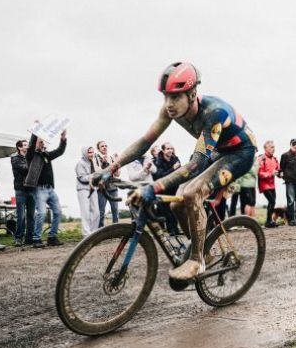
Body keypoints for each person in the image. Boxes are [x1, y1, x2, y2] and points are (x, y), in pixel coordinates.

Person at [92, 62, 257, 281]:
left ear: (192, 94)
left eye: (175, 97)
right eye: (165, 96)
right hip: (218, 151)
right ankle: (202, 247)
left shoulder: (213, 113)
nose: (169, 104)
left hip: (240, 153)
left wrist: (154, 187)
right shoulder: (170, 110)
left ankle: (197, 261)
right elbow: (144, 142)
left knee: (192, 192)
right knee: (177, 202)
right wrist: (111, 168)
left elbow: (195, 165)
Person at [24, 128, 67, 248]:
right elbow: (31, 145)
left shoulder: (47, 155)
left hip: (50, 189)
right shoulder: (31, 155)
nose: (42, 143)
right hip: (39, 189)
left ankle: (52, 237)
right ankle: (36, 238)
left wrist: (63, 139)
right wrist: (35, 132)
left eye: (43, 141)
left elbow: (60, 151)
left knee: (58, 212)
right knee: (41, 213)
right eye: (40, 141)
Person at [153, 142, 182, 235]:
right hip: (164, 188)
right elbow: (160, 176)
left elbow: (180, 172)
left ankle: (176, 229)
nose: (170, 150)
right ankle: (171, 230)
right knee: (167, 210)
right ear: (163, 150)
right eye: (168, 149)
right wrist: (173, 168)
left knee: (175, 208)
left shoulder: (175, 159)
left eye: (171, 149)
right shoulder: (158, 161)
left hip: (175, 188)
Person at [11, 139, 35, 246]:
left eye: (28, 144)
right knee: (21, 216)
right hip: (21, 189)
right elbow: (25, 169)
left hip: (32, 189)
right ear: (19, 148)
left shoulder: (31, 157)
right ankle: (18, 238)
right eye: (25, 145)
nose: (27, 146)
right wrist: (34, 164)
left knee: (31, 215)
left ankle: (29, 238)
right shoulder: (15, 158)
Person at [279, 138, 296, 226]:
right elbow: (281, 168)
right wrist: (284, 176)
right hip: (289, 181)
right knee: (290, 200)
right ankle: (291, 219)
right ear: (290, 145)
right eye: (293, 144)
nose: (295, 146)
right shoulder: (285, 156)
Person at [94, 141, 120, 227]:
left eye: (106, 146)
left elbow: (117, 174)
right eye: (102, 146)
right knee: (101, 211)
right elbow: (98, 172)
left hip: (113, 187)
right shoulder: (96, 158)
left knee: (115, 210)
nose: (105, 147)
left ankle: (116, 230)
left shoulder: (111, 158)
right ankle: (100, 231)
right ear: (98, 149)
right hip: (102, 188)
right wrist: (104, 163)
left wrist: (117, 163)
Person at [75, 147, 99, 236]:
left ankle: (93, 233)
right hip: (83, 189)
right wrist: (93, 176)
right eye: (89, 152)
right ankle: (86, 234)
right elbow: (82, 178)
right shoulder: (80, 164)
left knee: (96, 212)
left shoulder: (93, 163)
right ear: (85, 153)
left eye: (92, 152)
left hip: (93, 189)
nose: (91, 154)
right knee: (85, 212)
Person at [257, 140, 280, 228]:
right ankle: (268, 221)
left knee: (273, 202)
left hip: (272, 184)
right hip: (264, 184)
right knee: (272, 201)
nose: (273, 149)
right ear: (265, 148)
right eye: (271, 147)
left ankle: (269, 221)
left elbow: (278, 170)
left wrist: (280, 174)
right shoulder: (261, 158)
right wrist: (271, 174)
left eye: (273, 147)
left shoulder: (275, 159)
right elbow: (259, 173)